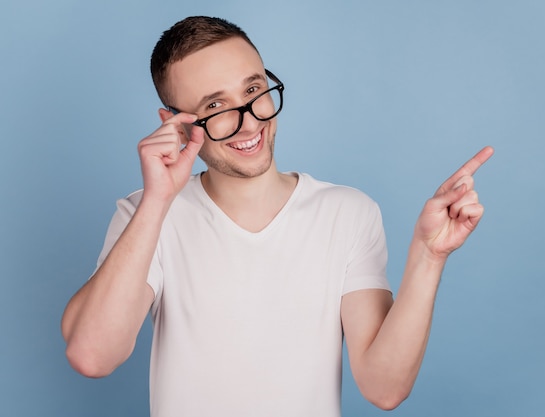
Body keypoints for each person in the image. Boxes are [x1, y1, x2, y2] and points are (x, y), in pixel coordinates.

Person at [61, 16, 493, 417]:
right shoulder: (145, 214)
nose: (249, 123)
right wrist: (157, 200)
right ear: (175, 123)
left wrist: (429, 256)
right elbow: (92, 355)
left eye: (252, 91)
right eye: (215, 106)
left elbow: (384, 388)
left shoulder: (347, 212)